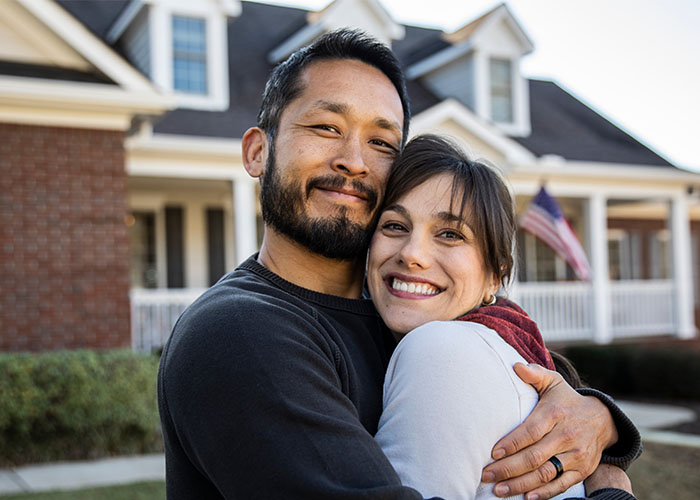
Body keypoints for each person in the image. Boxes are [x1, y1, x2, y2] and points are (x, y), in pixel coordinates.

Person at [157, 29, 641, 499]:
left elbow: (551, 385)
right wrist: (609, 488)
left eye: (382, 143)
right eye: (327, 127)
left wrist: (602, 424)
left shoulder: (406, 308)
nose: (354, 160)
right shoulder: (241, 333)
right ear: (257, 152)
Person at [368, 135, 636, 500]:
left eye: (449, 234)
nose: (413, 254)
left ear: (495, 275)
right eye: (395, 226)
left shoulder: (440, 348)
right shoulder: (500, 347)